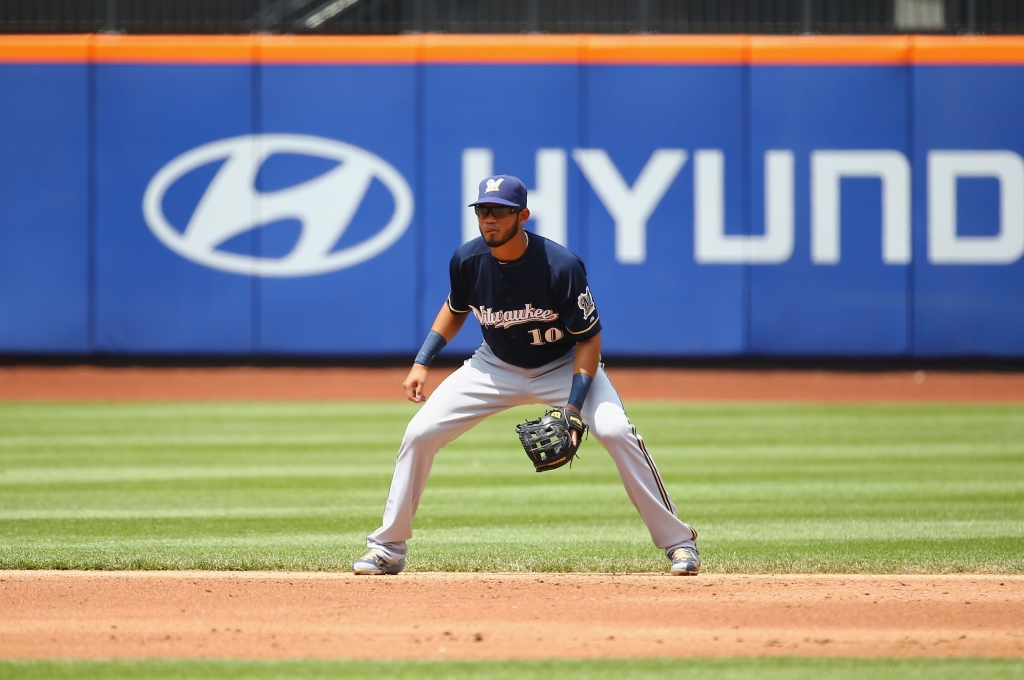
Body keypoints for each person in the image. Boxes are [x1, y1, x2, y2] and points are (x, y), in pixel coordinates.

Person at [353, 174, 700, 576]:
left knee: (616, 432)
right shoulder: (467, 260)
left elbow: (590, 340)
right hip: (493, 366)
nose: (489, 219)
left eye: (499, 211)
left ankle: (680, 544)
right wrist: (422, 360)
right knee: (419, 433)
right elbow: (456, 308)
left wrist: (572, 407)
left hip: (562, 365)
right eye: (483, 211)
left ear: (523, 216)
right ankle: (388, 548)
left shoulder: (560, 266)